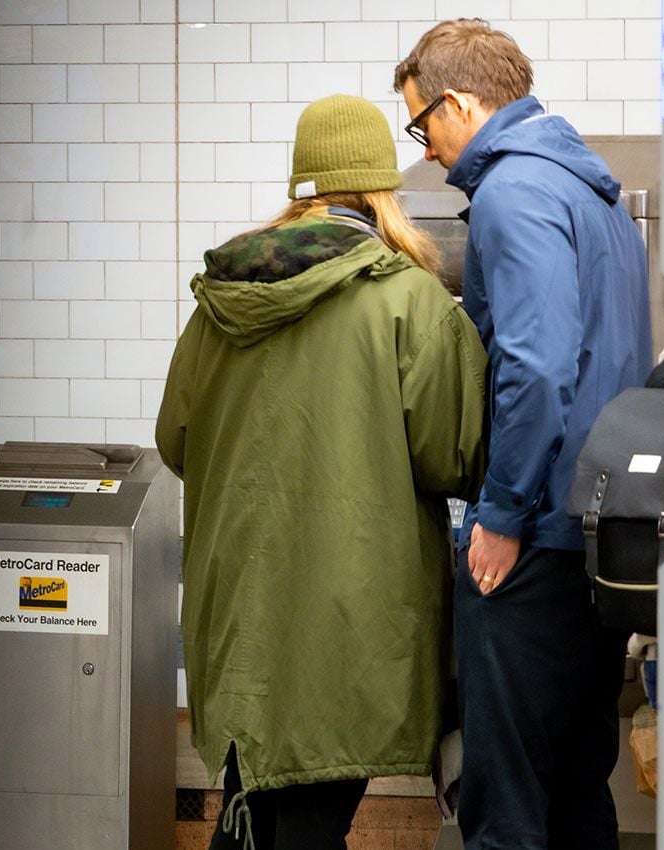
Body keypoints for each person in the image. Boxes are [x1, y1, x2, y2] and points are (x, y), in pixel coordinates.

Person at [155, 93, 488, 850]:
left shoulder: (219, 300)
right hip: (349, 616)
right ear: (382, 190)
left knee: (250, 810)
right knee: (307, 821)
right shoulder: (409, 302)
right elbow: (457, 456)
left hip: (238, 605)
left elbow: (176, 440)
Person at [395, 19, 653, 850]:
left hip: (535, 538)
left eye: (422, 122)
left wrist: (501, 515)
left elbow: (536, 369)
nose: (427, 147)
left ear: (460, 103)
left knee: (504, 805)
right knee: (582, 789)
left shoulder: (511, 192)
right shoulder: (597, 192)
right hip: (600, 537)